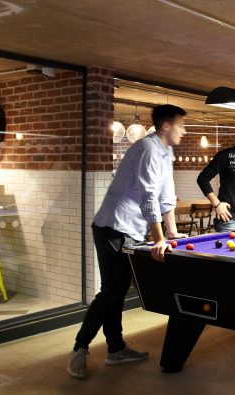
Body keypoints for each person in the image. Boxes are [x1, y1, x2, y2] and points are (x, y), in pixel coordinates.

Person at [68, 104, 188, 379]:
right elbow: (148, 196)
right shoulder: (147, 149)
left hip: (129, 229)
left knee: (117, 289)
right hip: (112, 226)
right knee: (112, 290)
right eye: (181, 124)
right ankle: (79, 348)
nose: (184, 130)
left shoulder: (166, 152)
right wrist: (158, 239)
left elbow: (166, 197)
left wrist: (171, 233)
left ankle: (116, 349)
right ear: (166, 126)